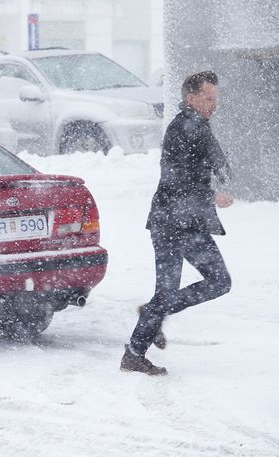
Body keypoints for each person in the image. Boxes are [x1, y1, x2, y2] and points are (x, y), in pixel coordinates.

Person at [120, 70, 234, 376]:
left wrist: (222, 174)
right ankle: (135, 350)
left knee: (217, 283)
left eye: (216, 98)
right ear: (191, 98)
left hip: (189, 222)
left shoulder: (199, 125)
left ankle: (154, 313)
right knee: (182, 289)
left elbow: (218, 160)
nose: (214, 103)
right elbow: (176, 180)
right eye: (209, 98)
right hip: (171, 223)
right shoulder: (183, 128)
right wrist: (212, 195)